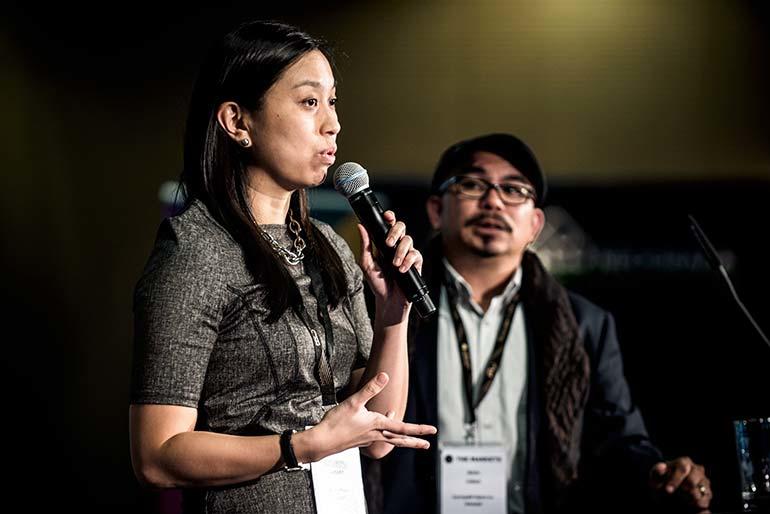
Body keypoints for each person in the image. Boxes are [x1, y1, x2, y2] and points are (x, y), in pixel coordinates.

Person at [128, 20, 435, 514]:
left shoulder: (331, 249)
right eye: (309, 102)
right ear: (237, 121)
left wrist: (392, 313)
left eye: (332, 102)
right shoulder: (196, 251)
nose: (332, 124)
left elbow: (378, 433)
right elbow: (156, 455)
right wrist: (301, 446)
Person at [374, 133, 712, 514]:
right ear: (436, 210)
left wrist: (659, 473)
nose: (494, 201)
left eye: (515, 190)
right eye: (472, 184)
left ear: (535, 224)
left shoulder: (585, 325)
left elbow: (620, 438)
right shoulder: (391, 307)